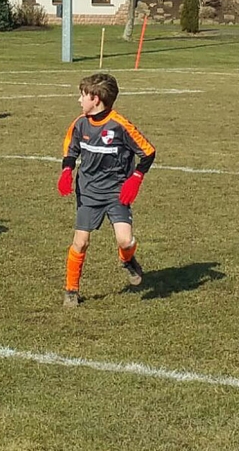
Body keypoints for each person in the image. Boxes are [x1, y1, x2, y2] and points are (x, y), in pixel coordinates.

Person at [57, 73, 155, 307]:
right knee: (81, 242)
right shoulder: (80, 123)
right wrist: (67, 171)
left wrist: (136, 178)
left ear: (96, 99)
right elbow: (71, 150)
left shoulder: (120, 125)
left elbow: (148, 152)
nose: (79, 100)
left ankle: (127, 260)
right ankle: (71, 289)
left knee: (125, 240)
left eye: (83, 95)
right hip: (88, 191)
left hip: (116, 192)